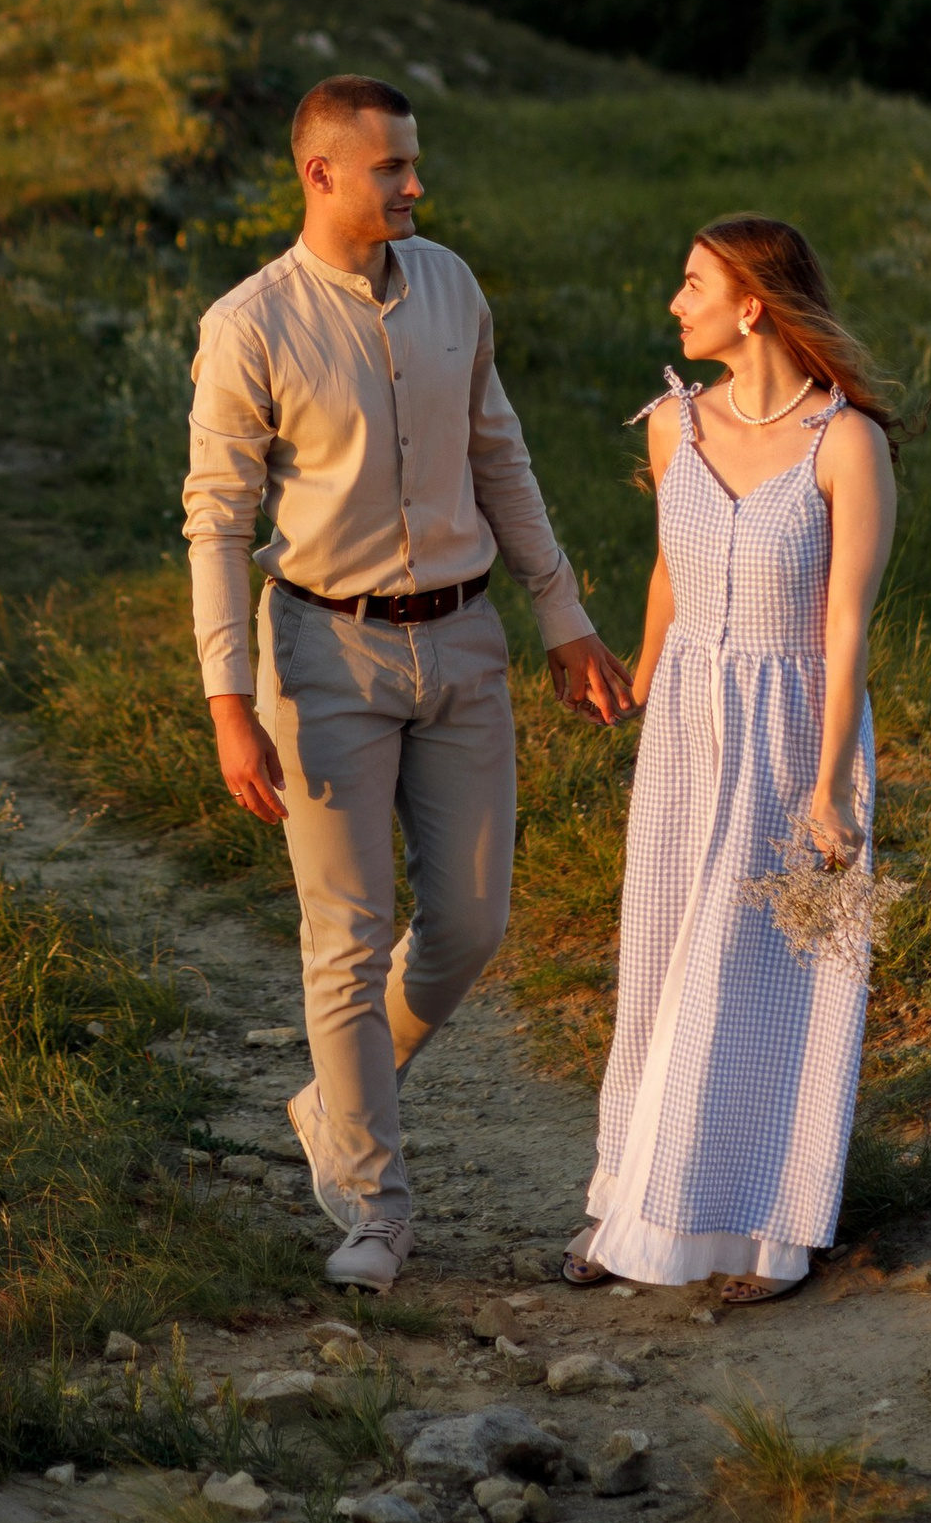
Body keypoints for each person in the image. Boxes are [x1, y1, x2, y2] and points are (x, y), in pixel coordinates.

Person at [184, 74, 633, 1291]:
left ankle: (335, 1099)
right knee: (345, 936)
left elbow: (500, 450)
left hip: (466, 638)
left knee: (472, 925)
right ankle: (375, 1207)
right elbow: (218, 523)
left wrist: (564, 617)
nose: (415, 186)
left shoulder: (450, 285)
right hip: (323, 652)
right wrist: (231, 702)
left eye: (413, 164)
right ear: (321, 173)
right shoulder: (250, 325)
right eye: (391, 168)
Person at [569, 213, 899, 1303]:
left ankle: (769, 1231)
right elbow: (668, 569)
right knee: (660, 961)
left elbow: (846, 625)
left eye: (692, 282)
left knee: (766, 985)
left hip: (795, 733)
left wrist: (826, 785)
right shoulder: (673, 425)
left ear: (750, 304)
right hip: (684, 731)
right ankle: (625, 1204)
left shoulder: (846, 444)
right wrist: (644, 676)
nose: (675, 302)